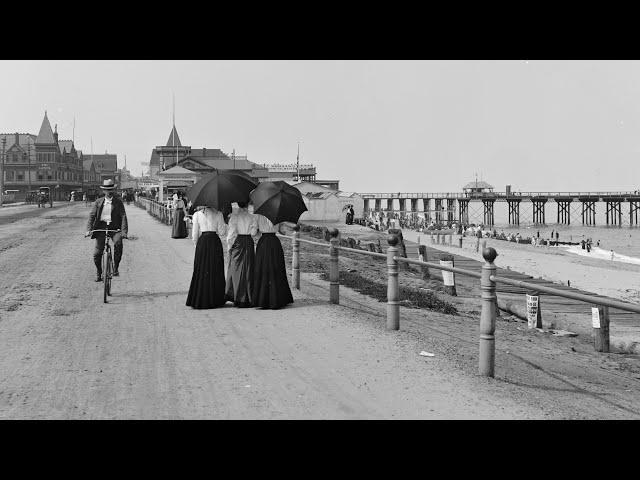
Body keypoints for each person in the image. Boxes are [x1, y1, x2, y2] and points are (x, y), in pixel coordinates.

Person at [85, 179, 128, 282]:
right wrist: (89, 230)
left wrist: (124, 232)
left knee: (118, 243)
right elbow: (92, 216)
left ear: (113, 190)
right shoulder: (98, 202)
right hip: (101, 228)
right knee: (97, 254)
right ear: (103, 191)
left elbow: (123, 216)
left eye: (111, 189)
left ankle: (115, 268)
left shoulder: (118, 202)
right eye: (107, 190)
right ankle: (99, 273)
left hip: (114, 228)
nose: (109, 192)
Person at [186, 205, 228, 309]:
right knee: (215, 269)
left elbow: (194, 234)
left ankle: (200, 297)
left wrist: (197, 245)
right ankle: (216, 299)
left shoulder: (197, 214)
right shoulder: (219, 214)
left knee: (201, 269)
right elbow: (222, 232)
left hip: (203, 242)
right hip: (214, 241)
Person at [252, 213, 294, 309]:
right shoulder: (277, 213)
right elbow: (282, 231)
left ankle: (262, 298)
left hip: (263, 242)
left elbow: (253, 233)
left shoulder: (258, 214)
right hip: (274, 242)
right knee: (276, 268)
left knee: (262, 268)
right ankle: (277, 298)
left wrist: (258, 229)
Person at [225, 201, 258, 307]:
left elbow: (231, 234)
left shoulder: (234, 216)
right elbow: (253, 233)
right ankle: (248, 296)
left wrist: (229, 247)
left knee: (236, 269)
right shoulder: (252, 217)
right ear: (248, 204)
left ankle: (236, 296)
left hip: (238, 241)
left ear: (238, 205)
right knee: (248, 268)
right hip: (248, 241)